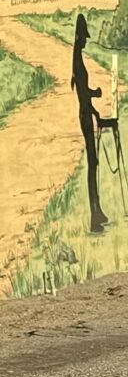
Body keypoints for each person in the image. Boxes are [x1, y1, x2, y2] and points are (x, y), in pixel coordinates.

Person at [72, 14, 117, 235]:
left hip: (87, 114)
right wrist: (96, 93)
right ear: (79, 37)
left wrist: (97, 112)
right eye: (84, 38)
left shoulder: (77, 58)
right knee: (92, 166)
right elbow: (83, 94)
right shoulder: (77, 61)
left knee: (94, 164)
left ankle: (97, 211)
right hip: (85, 116)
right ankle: (94, 217)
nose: (86, 41)